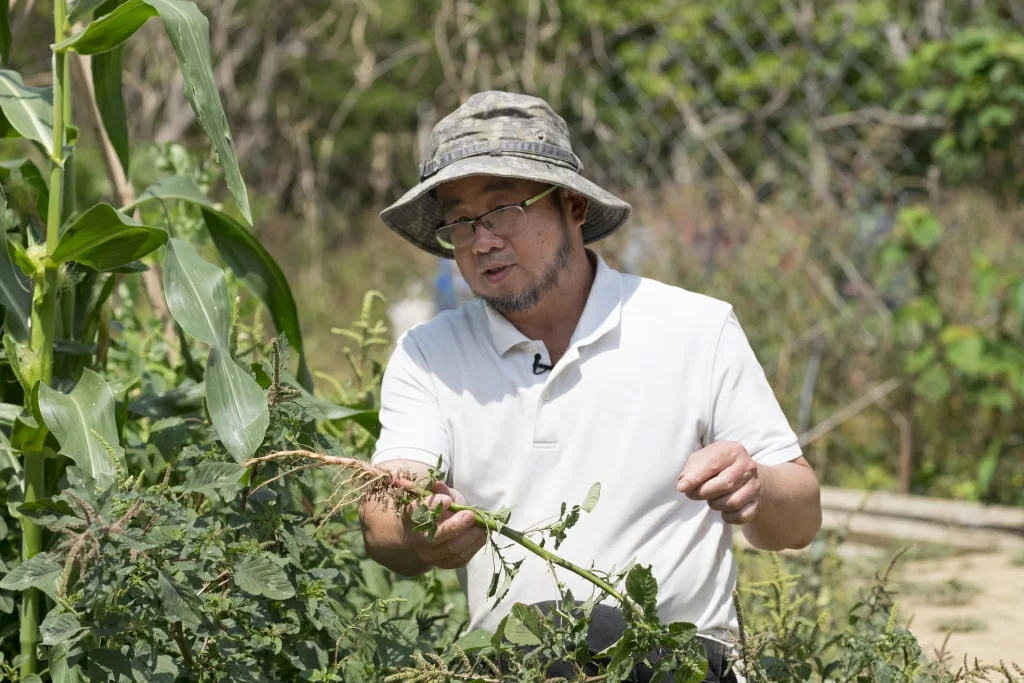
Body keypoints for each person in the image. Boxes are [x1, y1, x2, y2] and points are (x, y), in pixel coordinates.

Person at [358, 91, 822, 682]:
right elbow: (383, 511)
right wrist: (415, 528)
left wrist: (755, 487)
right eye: (460, 221)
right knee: (542, 640)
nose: (481, 241)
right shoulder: (430, 355)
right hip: (511, 668)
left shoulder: (693, 329)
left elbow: (800, 518)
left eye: (503, 210)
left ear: (572, 206)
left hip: (678, 664)